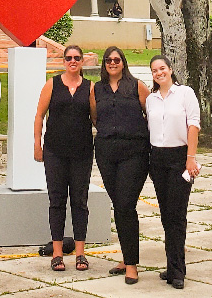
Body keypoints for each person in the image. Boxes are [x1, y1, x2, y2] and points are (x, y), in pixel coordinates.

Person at [34, 45, 96, 272]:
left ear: (82, 62)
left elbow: (96, 118)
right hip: (54, 152)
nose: (73, 61)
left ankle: (80, 254)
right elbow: (40, 115)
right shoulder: (52, 85)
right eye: (69, 58)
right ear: (63, 61)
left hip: (81, 153)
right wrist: (37, 145)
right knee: (57, 201)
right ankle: (58, 253)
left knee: (80, 202)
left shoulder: (90, 88)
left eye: (77, 58)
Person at [93, 47, 150, 285]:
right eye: (108, 60)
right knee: (118, 206)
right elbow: (95, 117)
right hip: (106, 153)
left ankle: (132, 266)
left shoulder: (137, 86)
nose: (112, 63)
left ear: (123, 63)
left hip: (134, 154)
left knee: (126, 205)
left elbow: (152, 115)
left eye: (116, 60)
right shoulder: (97, 89)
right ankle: (127, 258)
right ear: (104, 64)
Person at [146, 55, 200, 290]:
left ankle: (178, 271)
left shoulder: (186, 93)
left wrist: (190, 159)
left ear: (170, 69)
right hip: (157, 159)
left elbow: (193, 125)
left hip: (180, 158)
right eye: (154, 70)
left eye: (162, 68)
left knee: (177, 216)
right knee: (166, 215)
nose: (159, 73)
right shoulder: (151, 99)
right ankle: (170, 266)